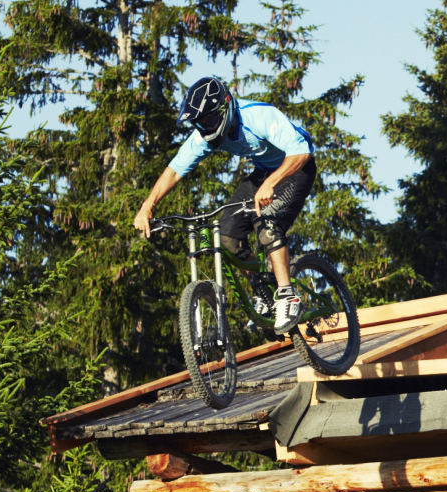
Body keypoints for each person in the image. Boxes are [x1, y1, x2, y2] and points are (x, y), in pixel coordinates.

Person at [133, 76, 316, 331]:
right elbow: (175, 170)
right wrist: (148, 205)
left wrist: (272, 182)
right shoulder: (205, 137)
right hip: (264, 174)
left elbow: (302, 151)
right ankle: (264, 293)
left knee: (268, 226)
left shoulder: (260, 116)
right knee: (226, 235)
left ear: (226, 106)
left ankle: (287, 296)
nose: (205, 127)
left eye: (208, 120)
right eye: (199, 123)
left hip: (296, 168)